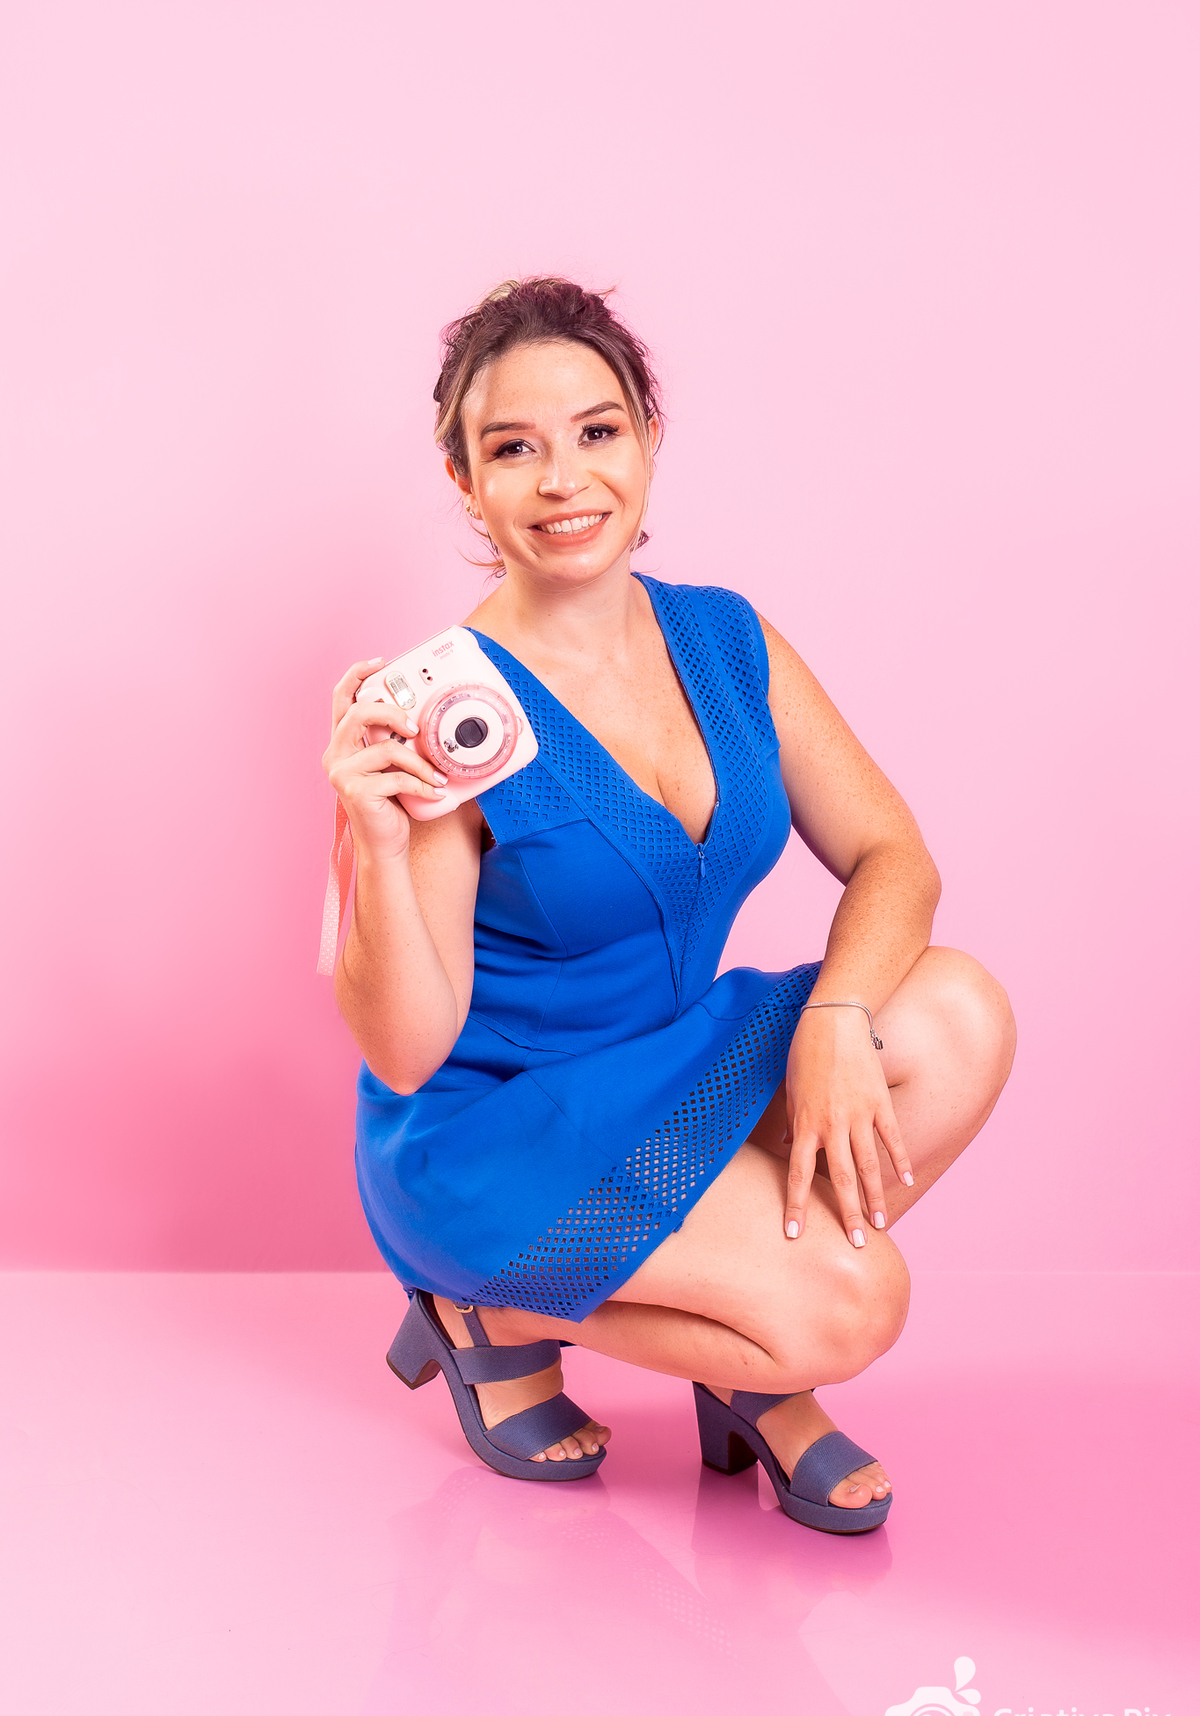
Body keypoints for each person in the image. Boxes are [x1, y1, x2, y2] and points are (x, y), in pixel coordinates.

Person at [322, 277, 1016, 1532]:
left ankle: (743, 1337)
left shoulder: (728, 641)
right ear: (463, 480)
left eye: (596, 431)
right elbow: (408, 1049)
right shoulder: (449, 707)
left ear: (647, 437)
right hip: (494, 1134)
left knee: (957, 1013)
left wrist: (836, 1017)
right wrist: (375, 837)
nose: (564, 479)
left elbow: (893, 854)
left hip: (665, 1066)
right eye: (512, 449)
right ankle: (494, 1313)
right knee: (857, 1304)